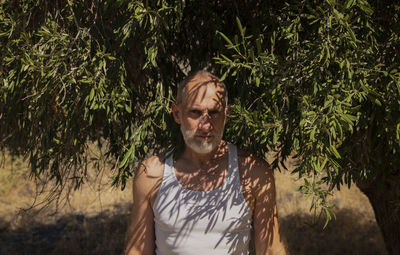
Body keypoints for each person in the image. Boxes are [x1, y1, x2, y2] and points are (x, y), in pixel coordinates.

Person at [124, 70, 286, 255]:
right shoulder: (152, 174)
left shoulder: (253, 173)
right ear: (177, 113)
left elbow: (271, 249)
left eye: (214, 113)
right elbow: (137, 250)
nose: (206, 125)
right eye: (195, 112)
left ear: (227, 114)